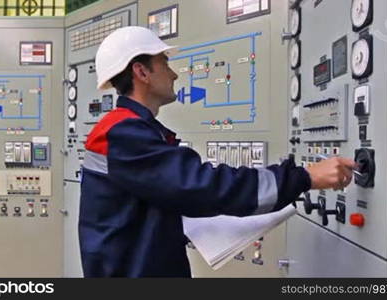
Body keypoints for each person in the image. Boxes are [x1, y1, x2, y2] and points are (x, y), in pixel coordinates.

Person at [79, 26, 356, 277]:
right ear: (142, 72)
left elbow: (159, 198)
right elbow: (202, 186)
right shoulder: (123, 133)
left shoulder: (131, 131)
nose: (174, 73)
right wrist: (304, 178)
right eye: (165, 63)